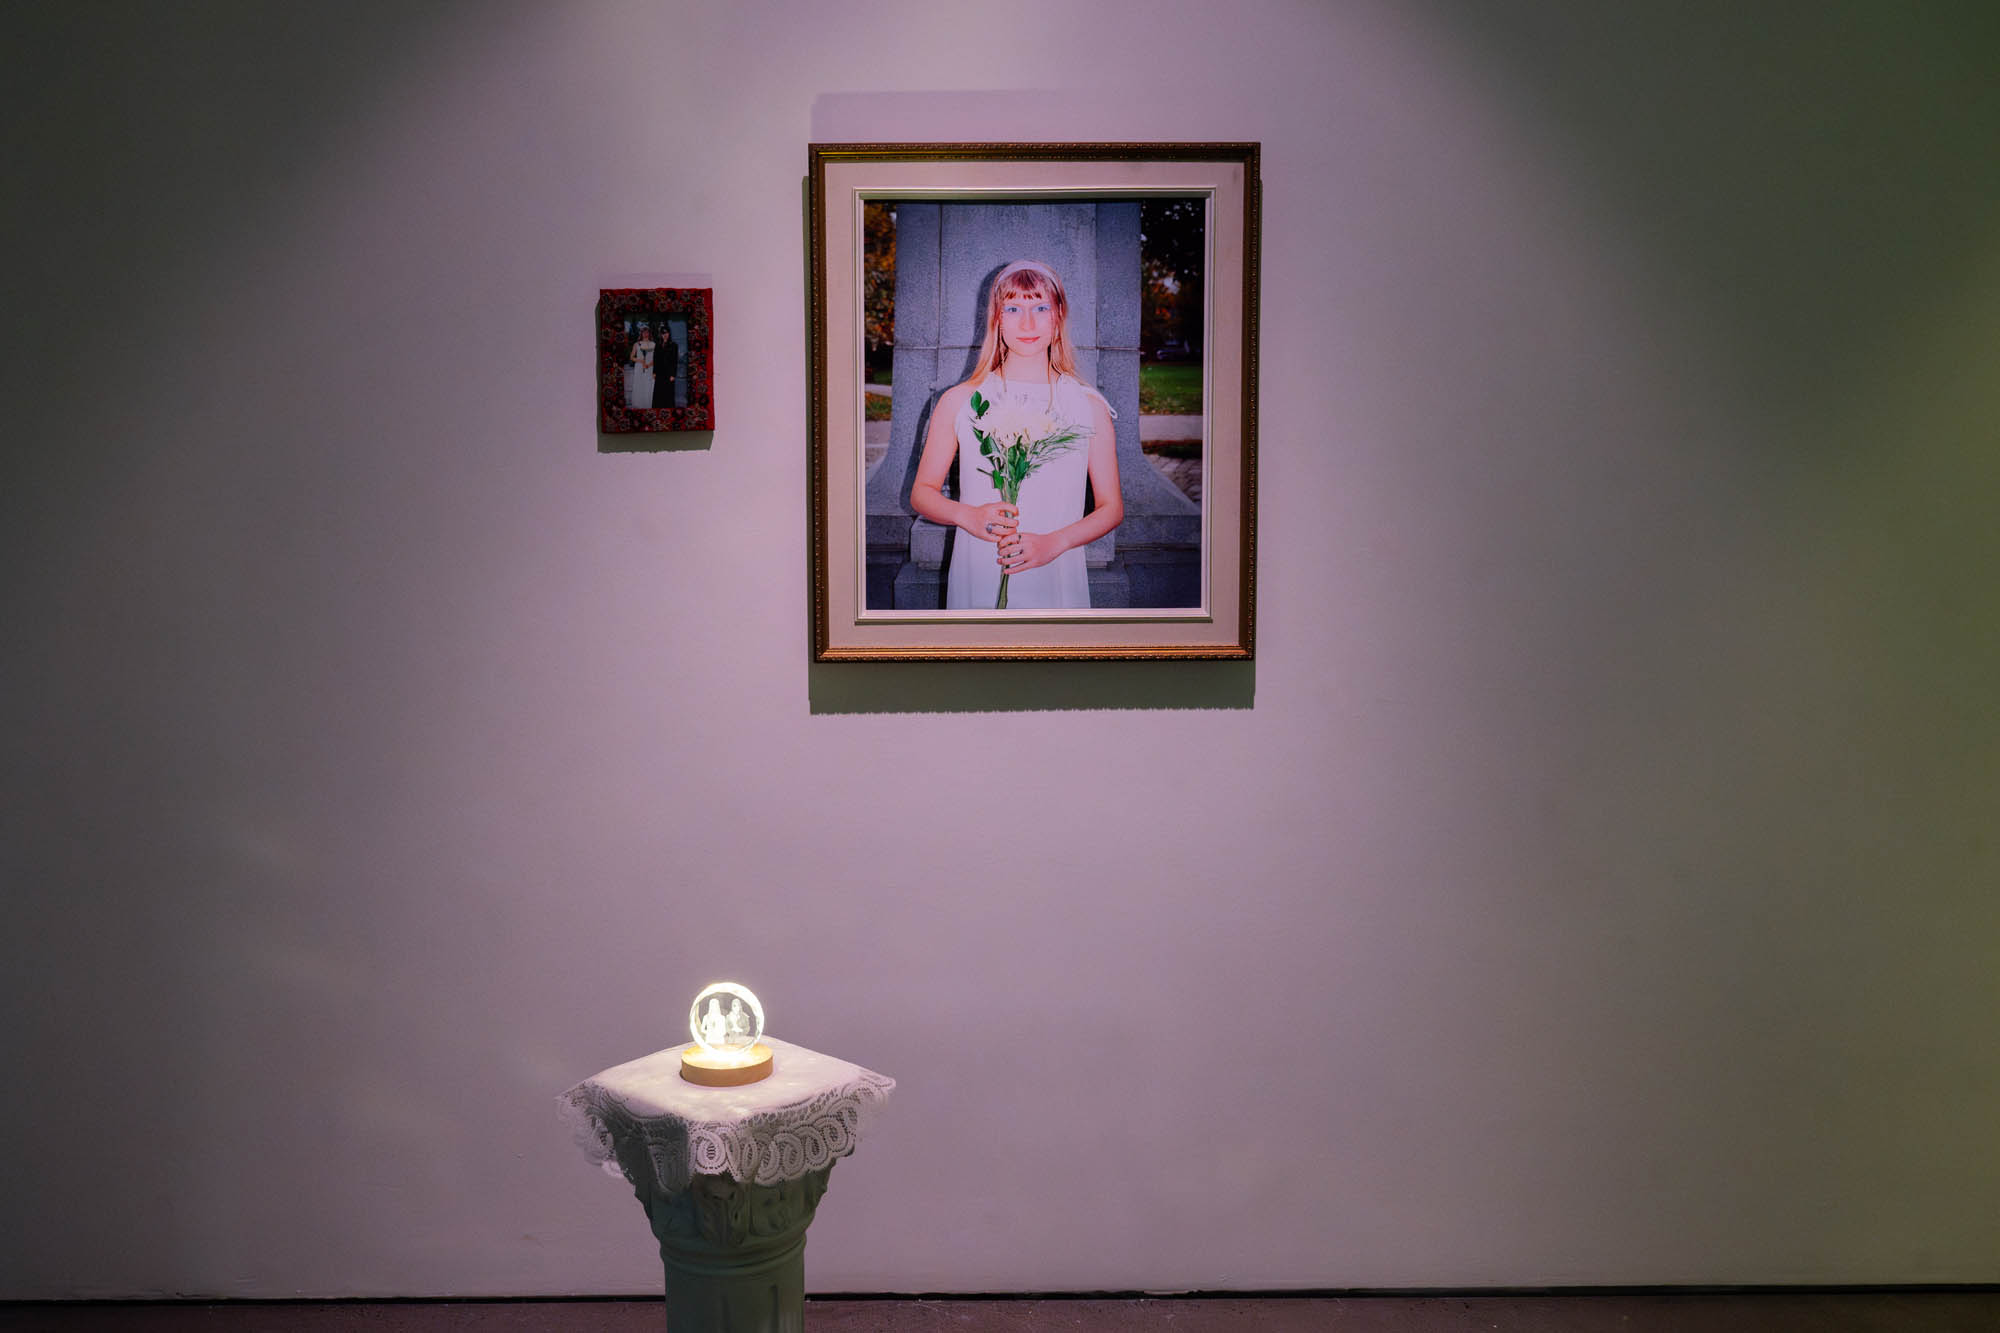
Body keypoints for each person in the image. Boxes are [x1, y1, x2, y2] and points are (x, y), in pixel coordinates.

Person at [909, 259, 1122, 609]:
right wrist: (967, 516)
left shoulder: (1088, 406)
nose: (1027, 323)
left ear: (1058, 317)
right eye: (1013, 309)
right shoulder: (960, 400)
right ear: (997, 318)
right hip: (980, 562)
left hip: (1055, 568)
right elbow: (922, 493)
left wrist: (1055, 542)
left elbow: (1111, 508)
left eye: (1040, 308)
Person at [625, 322, 656, 409]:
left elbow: (656, 358)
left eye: (647, 332)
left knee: (648, 385)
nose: (645, 334)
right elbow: (631, 357)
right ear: (641, 333)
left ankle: (648, 404)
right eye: (644, 332)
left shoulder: (653, 344)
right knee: (640, 385)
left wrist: (649, 364)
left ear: (649, 333)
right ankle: (639, 404)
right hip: (639, 367)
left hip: (650, 367)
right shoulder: (637, 344)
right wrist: (641, 361)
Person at [658, 324, 680, 409]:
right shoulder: (658, 345)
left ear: (669, 333)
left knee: (669, 392)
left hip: (669, 372)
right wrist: (655, 372)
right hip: (660, 373)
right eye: (663, 333)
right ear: (661, 334)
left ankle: (670, 408)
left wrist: (673, 374)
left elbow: (675, 361)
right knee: (661, 392)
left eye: (666, 333)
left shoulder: (674, 345)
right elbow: (656, 359)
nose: (665, 335)